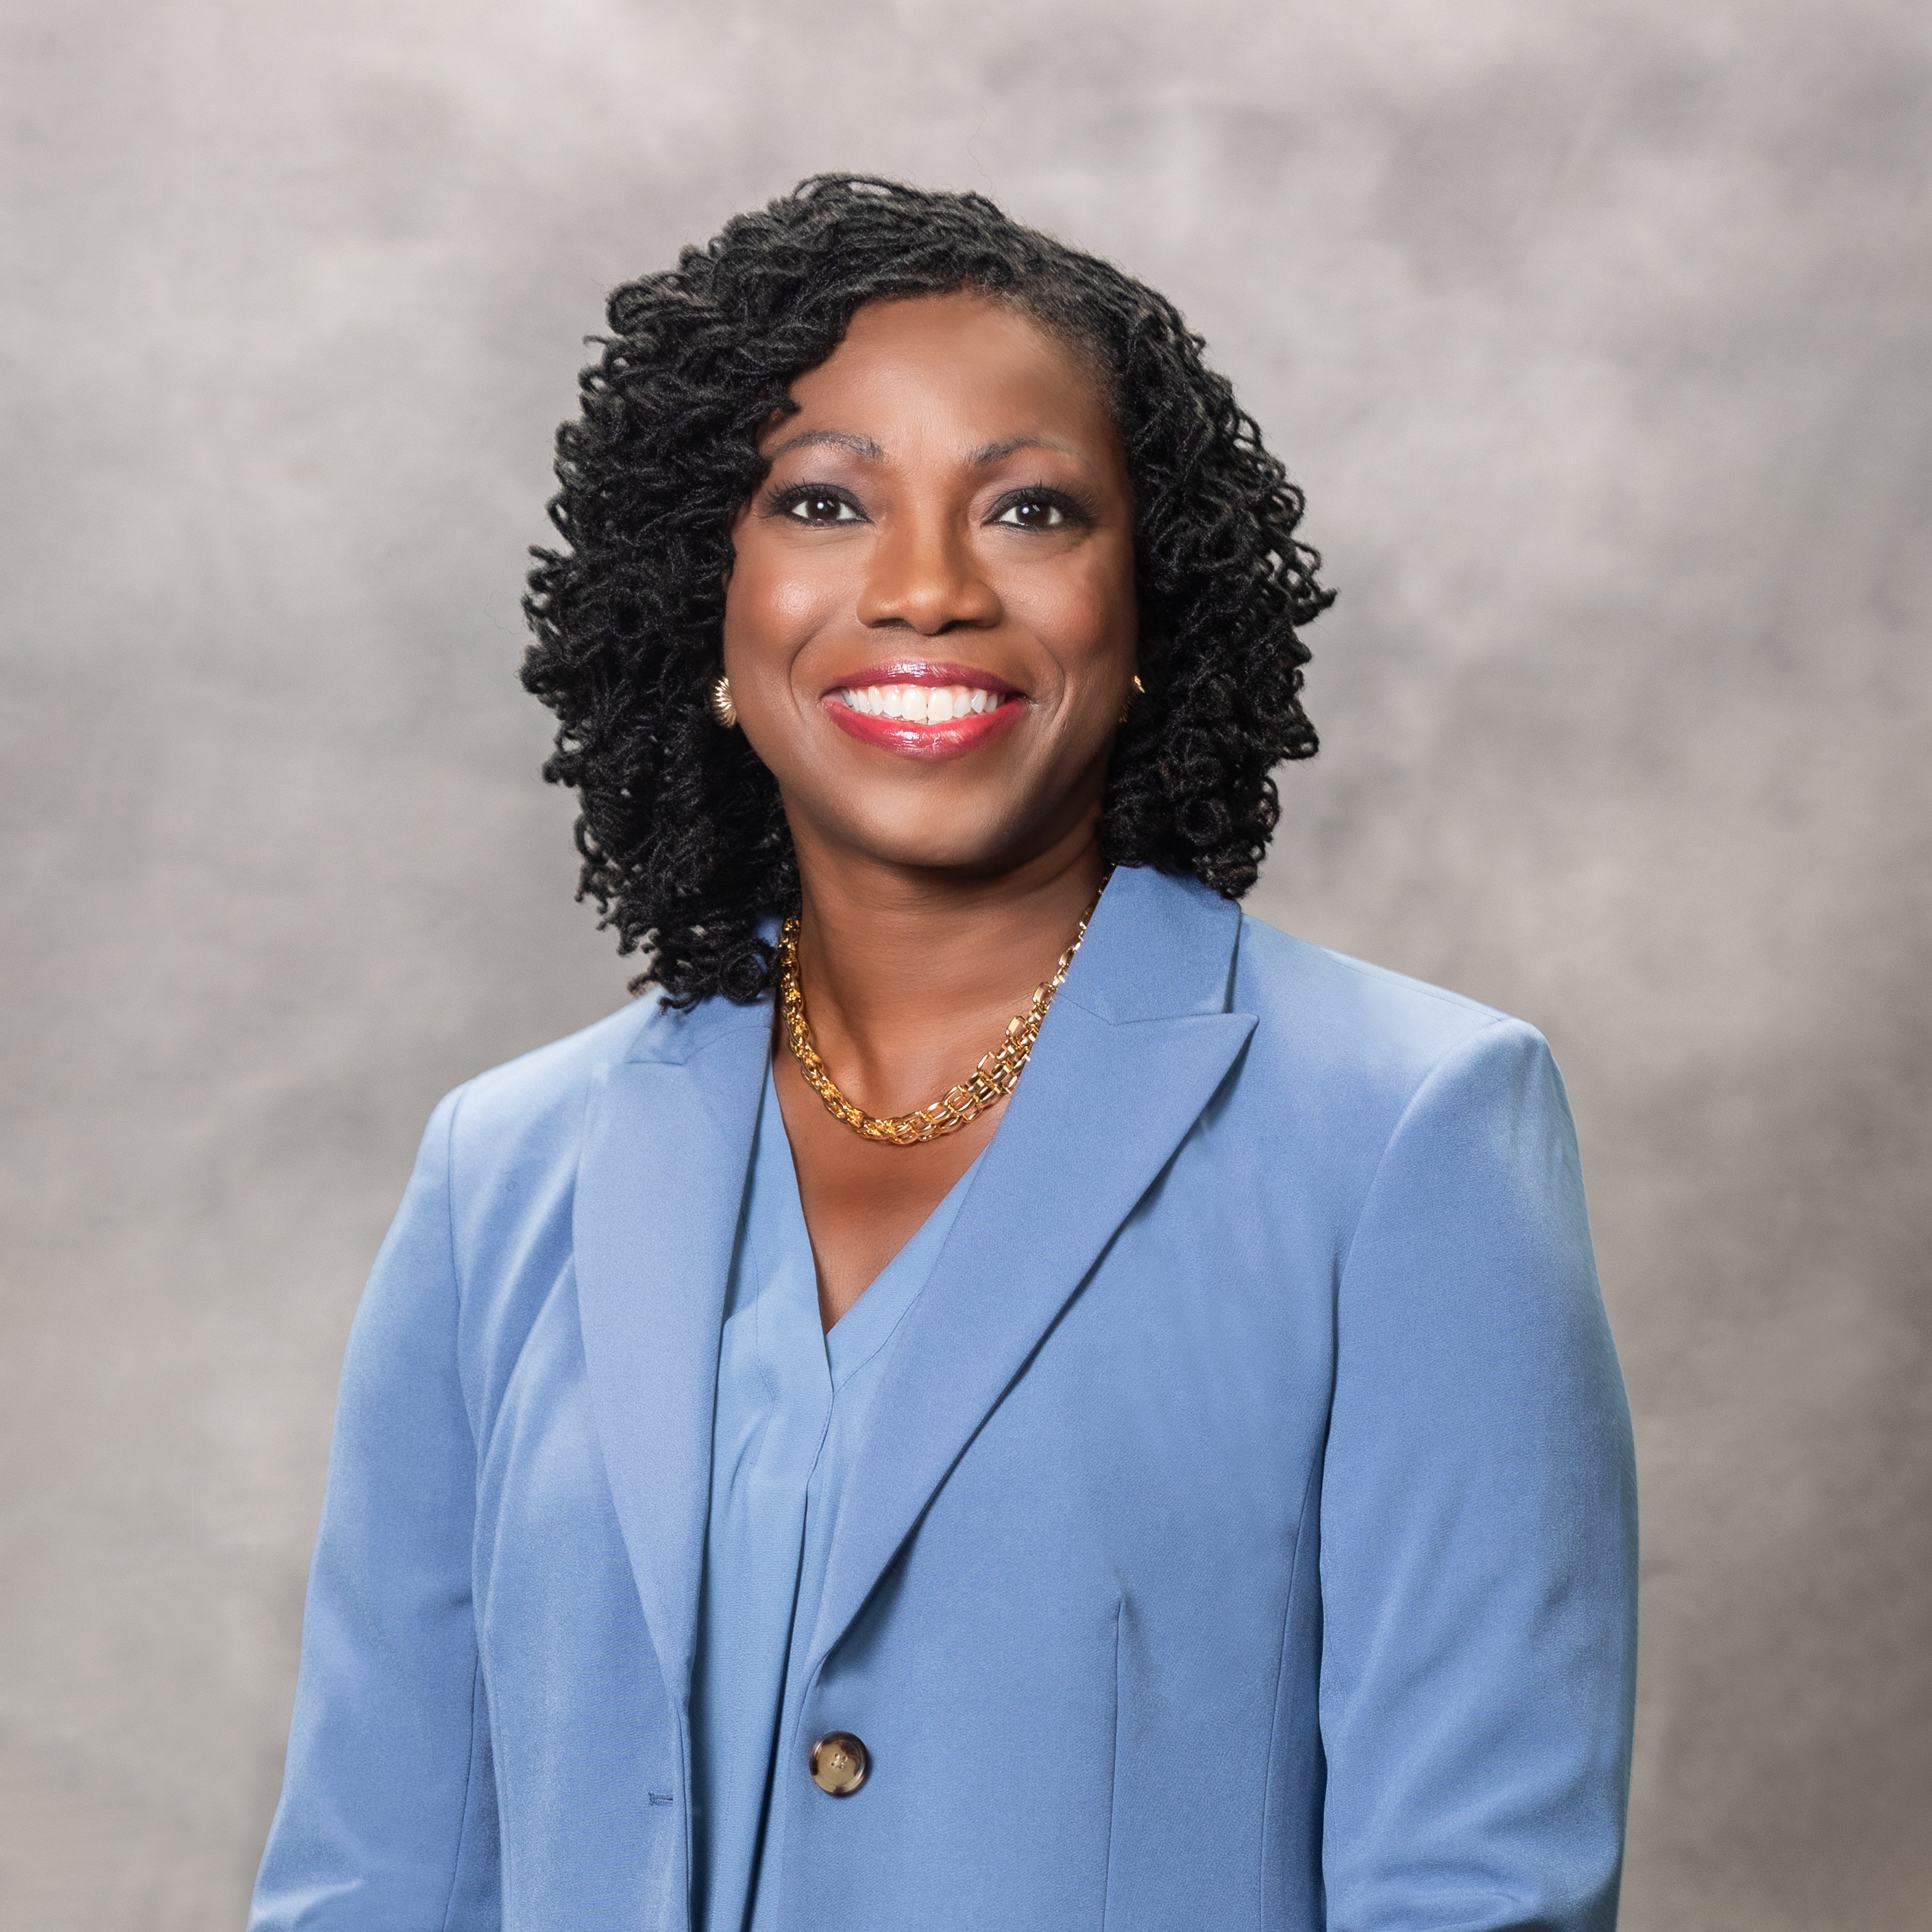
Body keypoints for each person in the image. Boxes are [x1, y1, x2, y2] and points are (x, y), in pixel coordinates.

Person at [250, 175, 1637, 1932]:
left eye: (1031, 509)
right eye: (824, 500)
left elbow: (1475, 1894)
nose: (923, 589)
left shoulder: (1414, 1135)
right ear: (708, 605)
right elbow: (378, 1874)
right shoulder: (501, 1172)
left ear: (1147, 615)